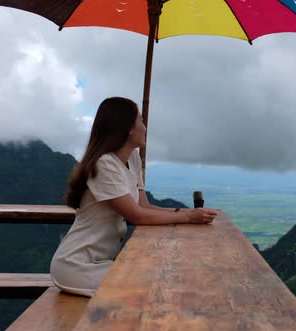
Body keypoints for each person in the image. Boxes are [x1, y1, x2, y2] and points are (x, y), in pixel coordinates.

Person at [50, 97, 217, 297]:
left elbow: (144, 206)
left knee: (161, 280)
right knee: (157, 286)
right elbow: (137, 216)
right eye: (141, 121)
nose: (145, 127)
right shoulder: (104, 164)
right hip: (77, 265)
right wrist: (188, 218)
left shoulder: (133, 158)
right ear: (128, 128)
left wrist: (188, 213)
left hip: (102, 262)